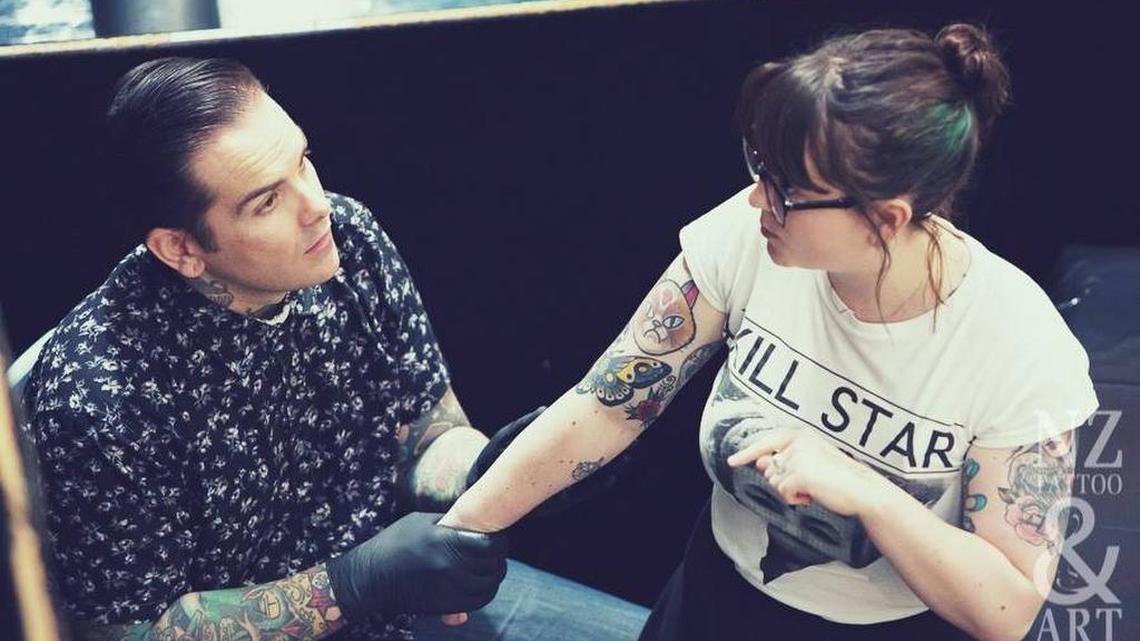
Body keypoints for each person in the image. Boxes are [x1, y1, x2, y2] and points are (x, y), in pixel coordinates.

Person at [439, 24, 1098, 641]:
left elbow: (1010, 607)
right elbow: (608, 402)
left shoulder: (1018, 345)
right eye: (760, 168)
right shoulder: (750, 235)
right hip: (712, 599)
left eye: (786, 190)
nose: (759, 200)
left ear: (886, 217)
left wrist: (869, 493)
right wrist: (462, 528)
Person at [23, 57, 647, 641]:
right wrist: (353, 584)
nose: (315, 205)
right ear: (181, 249)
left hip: (406, 607)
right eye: (267, 201)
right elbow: (139, 630)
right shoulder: (102, 395)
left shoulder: (347, 239)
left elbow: (423, 432)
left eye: (304, 161)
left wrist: (493, 473)